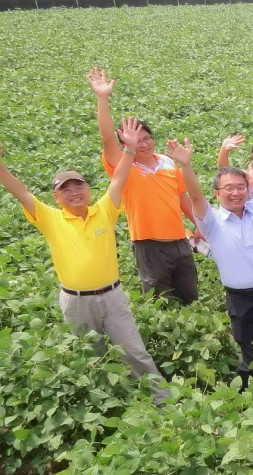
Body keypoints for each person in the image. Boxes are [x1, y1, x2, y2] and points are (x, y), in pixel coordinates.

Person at [0, 120, 168, 406]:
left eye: (79, 186)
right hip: (76, 302)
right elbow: (21, 192)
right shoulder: (50, 218)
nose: (74, 192)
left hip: (112, 296)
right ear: (56, 197)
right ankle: (108, 405)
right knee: (90, 356)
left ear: (88, 189)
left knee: (134, 351)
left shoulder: (104, 210)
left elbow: (119, 180)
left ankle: (162, 399)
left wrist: (128, 150)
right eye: (66, 189)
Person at [173, 126, 253, 387]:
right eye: (228, 189)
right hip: (241, 301)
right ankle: (246, 396)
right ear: (218, 194)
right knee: (249, 353)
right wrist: (186, 165)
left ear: (248, 189)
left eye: (240, 187)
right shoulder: (211, 222)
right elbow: (195, 195)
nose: (235, 193)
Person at [87, 68, 201, 304]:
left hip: (180, 240)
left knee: (190, 294)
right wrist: (102, 98)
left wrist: (200, 224)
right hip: (149, 244)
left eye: (146, 138)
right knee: (159, 299)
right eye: (135, 141)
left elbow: (182, 197)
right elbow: (107, 138)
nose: (143, 144)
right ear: (125, 144)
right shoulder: (123, 166)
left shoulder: (168, 162)